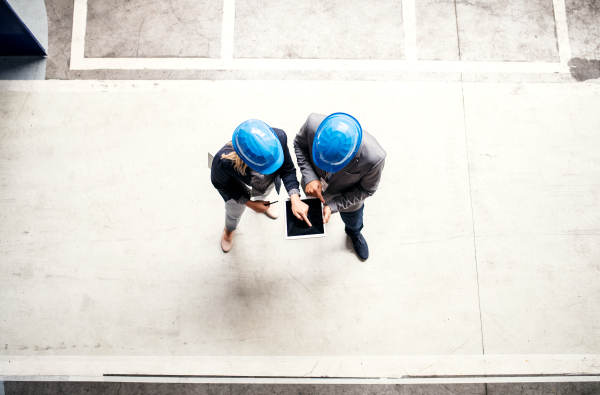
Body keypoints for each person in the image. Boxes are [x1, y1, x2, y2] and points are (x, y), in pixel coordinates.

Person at [293, 113, 386, 260]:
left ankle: (354, 234)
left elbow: (366, 190)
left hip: (347, 200)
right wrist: (310, 177)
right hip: (312, 188)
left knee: (354, 221)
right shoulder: (312, 124)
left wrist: (334, 205)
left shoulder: (374, 158)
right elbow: (299, 144)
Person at [211, 119, 310, 252]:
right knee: (234, 210)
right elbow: (221, 184)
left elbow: (287, 169)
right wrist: (249, 203)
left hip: (266, 184)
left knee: (264, 193)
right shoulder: (223, 161)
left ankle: (262, 201)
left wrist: (295, 198)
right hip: (238, 187)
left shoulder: (279, 137)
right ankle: (229, 229)